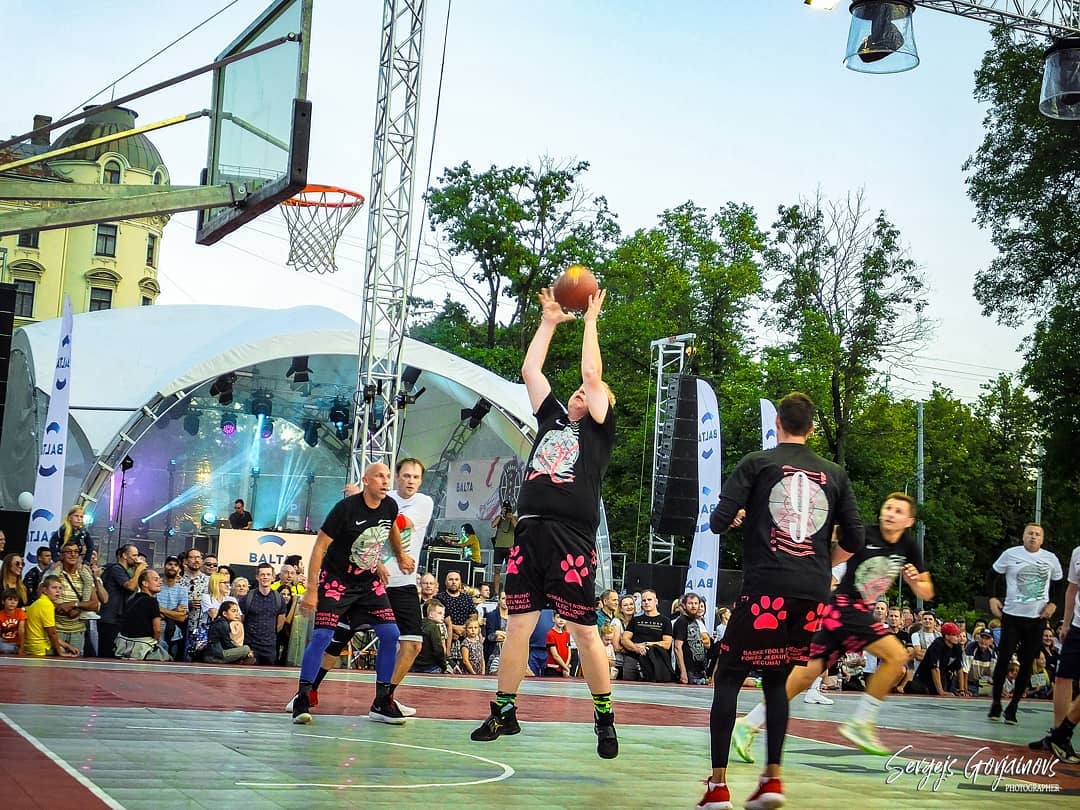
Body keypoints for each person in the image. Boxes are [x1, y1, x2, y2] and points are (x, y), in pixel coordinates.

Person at [470, 285, 619, 759]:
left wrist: (590, 321)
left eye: (591, 393)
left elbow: (592, 373)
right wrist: (549, 322)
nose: (582, 390)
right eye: (579, 390)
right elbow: (531, 371)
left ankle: (604, 715)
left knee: (584, 630)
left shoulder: (598, 430)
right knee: (518, 624)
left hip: (570, 536)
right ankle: (504, 710)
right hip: (531, 531)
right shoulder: (553, 418)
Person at [697, 392, 864, 810]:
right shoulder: (835, 474)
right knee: (776, 679)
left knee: (729, 677)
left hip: (766, 584)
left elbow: (717, 521)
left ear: (777, 423)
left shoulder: (757, 462)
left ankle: (718, 787)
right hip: (812, 590)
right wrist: (824, 561)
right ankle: (771, 779)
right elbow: (856, 539)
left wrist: (737, 517)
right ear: (812, 427)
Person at [734, 493, 933, 761]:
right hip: (844, 607)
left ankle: (747, 724)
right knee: (897, 656)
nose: (890, 513)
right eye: (888, 508)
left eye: (898, 511)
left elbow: (927, 591)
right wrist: (753, 514)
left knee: (804, 677)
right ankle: (861, 722)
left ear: (909, 521)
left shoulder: (909, 546)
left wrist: (915, 582)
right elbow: (819, 529)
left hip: (846, 614)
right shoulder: (862, 534)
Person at [291, 462, 415, 725]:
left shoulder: (390, 506)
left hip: (368, 584)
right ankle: (302, 696)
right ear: (366, 481)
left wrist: (399, 555)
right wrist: (311, 590)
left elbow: (391, 528)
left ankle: (382, 701)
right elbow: (319, 547)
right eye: (379, 476)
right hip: (337, 581)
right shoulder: (345, 509)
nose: (385, 481)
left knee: (391, 634)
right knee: (323, 635)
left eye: (387, 476)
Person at [986, 523, 1063, 723]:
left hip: (1037, 619)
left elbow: (1059, 585)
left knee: (1028, 663)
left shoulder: (1050, 558)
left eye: (1037, 534)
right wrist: (992, 598)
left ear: (1042, 539)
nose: (1033, 537)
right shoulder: (1011, 554)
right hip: (1012, 616)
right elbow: (992, 575)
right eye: (1030, 533)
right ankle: (996, 703)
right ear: (1023, 536)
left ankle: (1013, 706)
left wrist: (1054, 604)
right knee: (1004, 659)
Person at [384, 457, 435, 714]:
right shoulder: (386, 498)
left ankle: (386, 697)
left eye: (416, 477)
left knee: (413, 643)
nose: (411, 481)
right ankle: (306, 691)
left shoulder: (423, 502)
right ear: (397, 477)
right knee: (335, 638)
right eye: (406, 476)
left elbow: (398, 524)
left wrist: (368, 504)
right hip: (373, 581)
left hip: (403, 582)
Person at [97, 544, 147, 660]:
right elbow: (130, 586)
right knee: (106, 655)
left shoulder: (124, 571)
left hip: (116, 619)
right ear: (124, 555)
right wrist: (139, 570)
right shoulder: (116, 569)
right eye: (134, 555)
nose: (136, 559)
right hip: (109, 619)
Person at [54, 541, 99, 655]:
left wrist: (74, 605)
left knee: (75, 662)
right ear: (62, 555)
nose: (73, 554)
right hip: (56, 630)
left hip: (77, 632)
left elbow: (95, 604)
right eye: (69, 552)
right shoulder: (54, 574)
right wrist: (63, 608)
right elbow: (42, 597)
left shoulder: (85, 576)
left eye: (76, 552)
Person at [115, 569, 170, 660]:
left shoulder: (131, 600)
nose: (160, 582)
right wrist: (154, 644)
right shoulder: (152, 601)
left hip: (123, 646)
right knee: (164, 646)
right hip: (142, 646)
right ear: (145, 583)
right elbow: (157, 630)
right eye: (156, 580)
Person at [23, 576, 79, 657]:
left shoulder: (40, 602)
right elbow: (52, 633)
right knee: (64, 651)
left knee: (66, 648)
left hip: (32, 647)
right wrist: (60, 652)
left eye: (60, 588)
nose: (58, 591)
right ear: (45, 590)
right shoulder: (46, 605)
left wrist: (68, 645)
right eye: (54, 588)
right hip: (40, 649)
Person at [156, 555, 189, 660]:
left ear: (179, 569)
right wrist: (175, 611)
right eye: (170, 564)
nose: (172, 567)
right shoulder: (156, 586)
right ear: (164, 566)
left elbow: (182, 617)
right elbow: (153, 613)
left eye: (175, 565)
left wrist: (161, 609)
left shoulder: (182, 590)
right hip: (155, 632)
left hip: (174, 635)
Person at [204, 599, 255, 665]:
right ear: (224, 613)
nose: (236, 614)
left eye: (237, 611)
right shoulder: (222, 624)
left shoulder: (222, 622)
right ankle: (236, 660)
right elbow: (227, 644)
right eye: (233, 611)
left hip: (218, 653)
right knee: (246, 648)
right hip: (216, 655)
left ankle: (238, 660)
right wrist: (243, 651)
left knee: (248, 655)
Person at [412, 600, 450, 673]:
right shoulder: (433, 627)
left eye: (443, 614)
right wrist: (444, 666)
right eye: (440, 613)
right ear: (431, 614)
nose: (443, 616)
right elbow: (438, 649)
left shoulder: (418, 624)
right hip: (430, 666)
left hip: (414, 665)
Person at [491, 501, 518, 593]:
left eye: (508, 508)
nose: (507, 510)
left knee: (510, 571)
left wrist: (511, 517)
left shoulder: (514, 517)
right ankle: (496, 592)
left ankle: (508, 592)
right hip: (498, 546)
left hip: (510, 547)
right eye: (505, 508)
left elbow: (517, 527)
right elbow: (493, 525)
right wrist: (501, 515)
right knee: (497, 570)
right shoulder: (499, 518)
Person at [0, 588, 27, 654]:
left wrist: (22, 648)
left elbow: (22, 631)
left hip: (15, 644)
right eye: (10, 599)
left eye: (15, 600)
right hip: (3, 641)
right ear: (3, 601)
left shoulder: (20, 612)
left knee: (4, 648)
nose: (13, 602)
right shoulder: (0, 614)